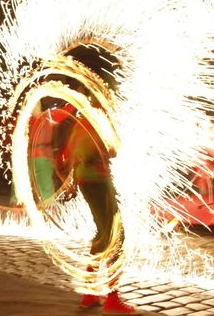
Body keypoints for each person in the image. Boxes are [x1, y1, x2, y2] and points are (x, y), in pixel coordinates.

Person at [66, 112, 136, 314]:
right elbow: (105, 151)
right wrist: (107, 148)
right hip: (97, 181)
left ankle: (89, 294)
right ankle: (112, 299)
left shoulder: (82, 122)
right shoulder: (95, 122)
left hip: (88, 180)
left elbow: (73, 152)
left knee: (102, 235)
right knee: (116, 236)